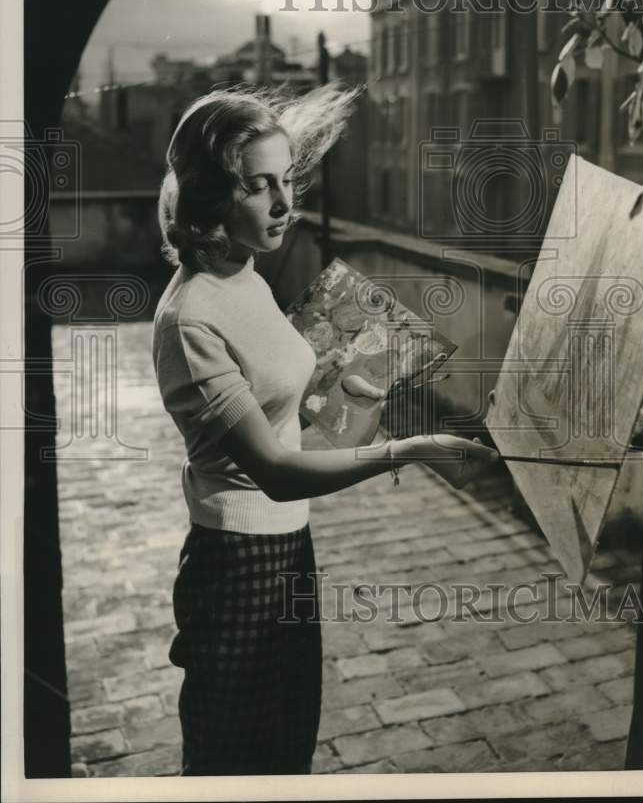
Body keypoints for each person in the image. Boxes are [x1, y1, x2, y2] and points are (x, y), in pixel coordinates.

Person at [152, 83, 499, 776]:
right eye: (259, 187)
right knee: (229, 768)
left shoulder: (246, 273)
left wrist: (344, 398)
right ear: (211, 197)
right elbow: (275, 474)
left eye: (287, 180)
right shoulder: (190, 318)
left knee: (286, 756)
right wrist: (410, 448)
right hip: (236, 564)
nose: (285, 204)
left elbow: (285, 419)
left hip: (288, 551)